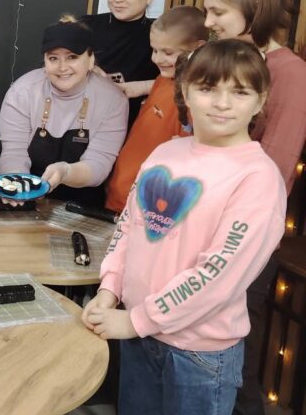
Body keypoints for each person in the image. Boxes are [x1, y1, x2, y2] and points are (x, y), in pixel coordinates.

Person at [82, 39, 287, 415]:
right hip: (138, 338)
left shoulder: (257, 178)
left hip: (199, 356)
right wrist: (110, 289)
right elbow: (129, 228)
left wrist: (137, 320)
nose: (222, 103)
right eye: (208, 88)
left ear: (260, 101)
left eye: (239, 92)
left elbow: (218, 274)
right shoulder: (165, 153)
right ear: (186, 92)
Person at [203, 0, 306, 415]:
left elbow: (274, 172)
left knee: (235, 362)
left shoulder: (291, 74)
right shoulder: (237, 60)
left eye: (217, 12)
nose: (208, 21)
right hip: (209, 227)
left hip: (246, 238)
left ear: (253, 9)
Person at [0, 19, 128, 207]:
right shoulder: (22, 92)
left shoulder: (112, 100)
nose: (62, 67)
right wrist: (20, 189)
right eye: (53, 58)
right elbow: (13, 152)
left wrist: (65, 172)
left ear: (91, 60)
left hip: (81, 203)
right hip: (26, 195)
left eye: (72, 57)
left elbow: (99, 164)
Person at [105, 6, 208, 213]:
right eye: (154, 50)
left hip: (147, 206)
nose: (157, 59)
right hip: (120, 194)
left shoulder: (194, 99)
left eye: (168, 53)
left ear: (198, 48)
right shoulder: (164, 78)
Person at [80, 0, 161, 127]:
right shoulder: (85, 26)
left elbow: (182, 84)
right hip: (77, 126)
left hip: (132, 131)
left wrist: (142, 87)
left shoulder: (160, 36)